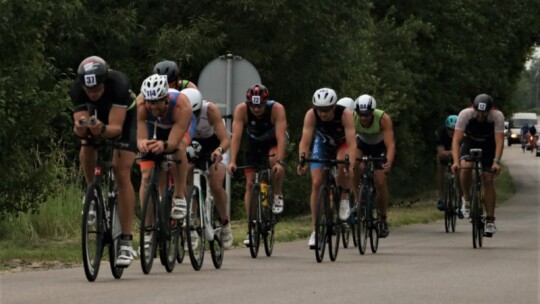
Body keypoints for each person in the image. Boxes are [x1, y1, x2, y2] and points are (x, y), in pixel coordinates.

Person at [71, 56, 137, 267]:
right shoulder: (77, 90)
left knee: (121, 172)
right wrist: (82, 127)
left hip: (123, 120)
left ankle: (126, 241)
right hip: (96, 116)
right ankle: (92, 194)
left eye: (97, 89)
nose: (92, 93)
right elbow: (79, 123)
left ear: (105, 81)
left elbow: (116, 129)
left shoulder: (118, 84)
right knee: (86, 145)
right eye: (88, 90)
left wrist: (102, 128)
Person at [226, 84, 288, 246]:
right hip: (253, 143)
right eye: (252, 106)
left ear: (265, 103)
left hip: (273, 142)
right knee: (249, 183)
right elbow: (236, 137)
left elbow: (281, 137)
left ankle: (277, 194)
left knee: (274, 161)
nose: (256, 109)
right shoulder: (241, 110)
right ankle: (251, 227)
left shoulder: (276, 109)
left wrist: (280, 162)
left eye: (260, 106)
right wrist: (232, 161)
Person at [297, 88, 356, 248]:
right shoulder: (311, 115)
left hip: (341, 144)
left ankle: (344, 196)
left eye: (326, 110)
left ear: (334, 107)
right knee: (316, 183)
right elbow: (305, 141)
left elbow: (351, 142)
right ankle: (316, 231)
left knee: (341, 160)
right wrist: (302, 160)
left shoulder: (345, 115)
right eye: (320, 110)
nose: (323, 114)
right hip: (322, 144)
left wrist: (350, 163)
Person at [137, 74, 195, 225]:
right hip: (154, 126)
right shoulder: (140, 104)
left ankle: (178, 196)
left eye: (156, 102)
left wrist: (164, 145)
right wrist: (142, 142)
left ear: (166, 98)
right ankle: (148, 227)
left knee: (179, 148)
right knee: (146, 177)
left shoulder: (181, 105)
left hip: (175, 125)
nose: (152, 106)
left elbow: (173, 143)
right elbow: (140, 131)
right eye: (149, 102)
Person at [186, 90, 233, 249]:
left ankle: (225, 222)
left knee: (215, 184)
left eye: (196, 112)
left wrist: (219, 151)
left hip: (214, 144)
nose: (194, 116)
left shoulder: (210, 110)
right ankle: (190, 223)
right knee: (187, 177)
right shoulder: (180, 112)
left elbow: (226, 140)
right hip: (192, 144)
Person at [451, 93, 504, 235]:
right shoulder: (465, 114)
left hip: (488, 145)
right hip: (470, 143)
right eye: (478, 112)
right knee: (466, 167)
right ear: (474, 109)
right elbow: (456, 140)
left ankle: (490, 221)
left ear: (490, 111)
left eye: (484, 112)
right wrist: (456, 161)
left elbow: (499, 141)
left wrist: (496, 162)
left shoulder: (497, 116)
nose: (481, 115)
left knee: (488, 178)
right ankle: (466, 200)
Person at [352, 94, 395, 238]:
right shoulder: (352, 117)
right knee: (354, 164)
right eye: (361, 114)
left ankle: (382, 219)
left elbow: (390, 144)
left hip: (379, 147)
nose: (363, 118)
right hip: (362, 144)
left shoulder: (383, 118)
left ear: (372, 111)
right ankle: (357, 201)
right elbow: (350, 142)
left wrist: (388, 161)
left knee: (380, 181)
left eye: (367, 114)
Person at [434, 115, 461, 211]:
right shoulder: (440, 132)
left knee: (460, 171)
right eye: (449, 129)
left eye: (454, 130)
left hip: (457, 156)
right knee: (440, 166)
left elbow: (461, 151)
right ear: (446, 128)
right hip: (446, 154)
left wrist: (452, 153)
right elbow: (440, 152)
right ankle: (441, 197)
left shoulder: (462, 132)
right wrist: (448, 153)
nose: (452, 132)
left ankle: (461, 197)